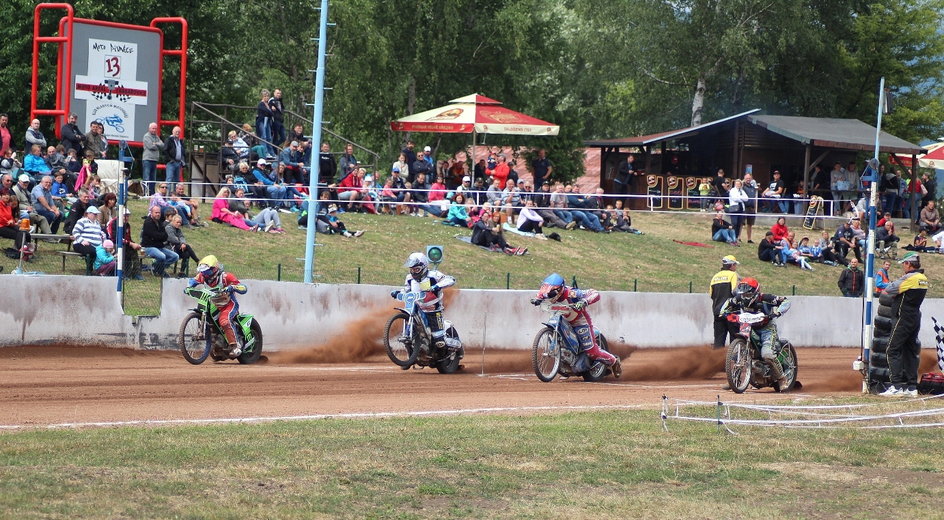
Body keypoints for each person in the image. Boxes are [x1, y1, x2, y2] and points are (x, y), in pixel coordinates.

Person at [529, 273, 622, 376]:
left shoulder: (571, 293)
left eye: (551, 292)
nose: (548, 294)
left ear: (559, 290)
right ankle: (566, 363)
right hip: (561, 319)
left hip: (579, 321)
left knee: (592, 351)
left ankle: (613, 361)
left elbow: (595, 294)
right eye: (547, 290)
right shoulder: (546, 292)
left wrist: (584, 301)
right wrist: (537, 299)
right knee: (559, 339)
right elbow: (540, 296)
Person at [719, 277, 792, 389]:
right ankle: (734, 379)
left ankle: (782, 378)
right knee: (735, 354)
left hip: (767, 329)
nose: (744, 297)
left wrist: (777, 312)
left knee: (767, 354)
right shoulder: (739, 299)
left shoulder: (766, 298)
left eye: (747, 294)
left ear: (755, 292)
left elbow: (786, 301)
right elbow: (728, 303)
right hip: (748, 326)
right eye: (743, 294)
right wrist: (724, 312)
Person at [880, 252, 929, 396]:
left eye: (904, 263)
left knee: (892, 349)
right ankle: (912, 387)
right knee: (910, 351)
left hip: (903, 317)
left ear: (909, 263)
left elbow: (888, 290)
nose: (903, 266)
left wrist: (894, 291)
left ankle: (896, 386)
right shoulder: (923, 278)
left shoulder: (910, 277)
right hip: (915, 317)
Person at [390, 252, 457, 352]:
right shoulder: (409, 278)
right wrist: (398, 293)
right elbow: (407, 291)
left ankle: (456, 346)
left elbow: (451, 280)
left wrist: (437, 286)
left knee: (439, 341)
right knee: (413, 328)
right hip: (417, 309)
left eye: (417, 269)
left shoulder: (434, 275)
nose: (414, 272)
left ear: (424, 267)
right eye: (412, 269)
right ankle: (412, 352)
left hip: (434, 310)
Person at [188, 255, 249, 357]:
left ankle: (235, 346)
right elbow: (192, 281)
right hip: (214, 305)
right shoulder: (202, 276)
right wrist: (188, 287)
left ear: (215, 269)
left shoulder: (225, 277)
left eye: (207, 271)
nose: (205, 274)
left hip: (229, 304)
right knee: (208, 319)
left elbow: (243, 288)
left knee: (224, 320)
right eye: (203, 271)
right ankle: (217, 344)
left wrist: (232, 287)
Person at [141, 204, 180, 278]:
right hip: (148, 247)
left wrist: (159, 236)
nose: (158, 214)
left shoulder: (160, 222)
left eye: (159, 212)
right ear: (151, 213)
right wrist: (160, 236)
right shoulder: (148, 222)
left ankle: (156, 267)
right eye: (156, 212)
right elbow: (154, 235)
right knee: (162, 256)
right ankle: (160, 270)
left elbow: (165, 236)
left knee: (175, 256)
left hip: (159, 246)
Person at [709, 255, 740, 349]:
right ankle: (732, 362)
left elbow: (711, 295)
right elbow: (735, 291)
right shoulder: (733, 275)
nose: (735, 267)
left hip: (717, 312)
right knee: (734, 340)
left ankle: (717, 361)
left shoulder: (715, 277)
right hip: (731, 312)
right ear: (731, 265)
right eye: (735, 265)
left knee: (718, 341)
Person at [70, 205, 105, 274]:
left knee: (102, 252)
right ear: (88, 214)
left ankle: (100, 270)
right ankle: (89, 270)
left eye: (96, 214)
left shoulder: (97, 223)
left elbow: (99, 233)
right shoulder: (82, 221)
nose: (95, 215)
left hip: (96, 245)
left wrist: (103, 236)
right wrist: (82, 241)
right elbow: (75, 232)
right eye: (94, 214)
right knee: (92, 251)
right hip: (80, 244)